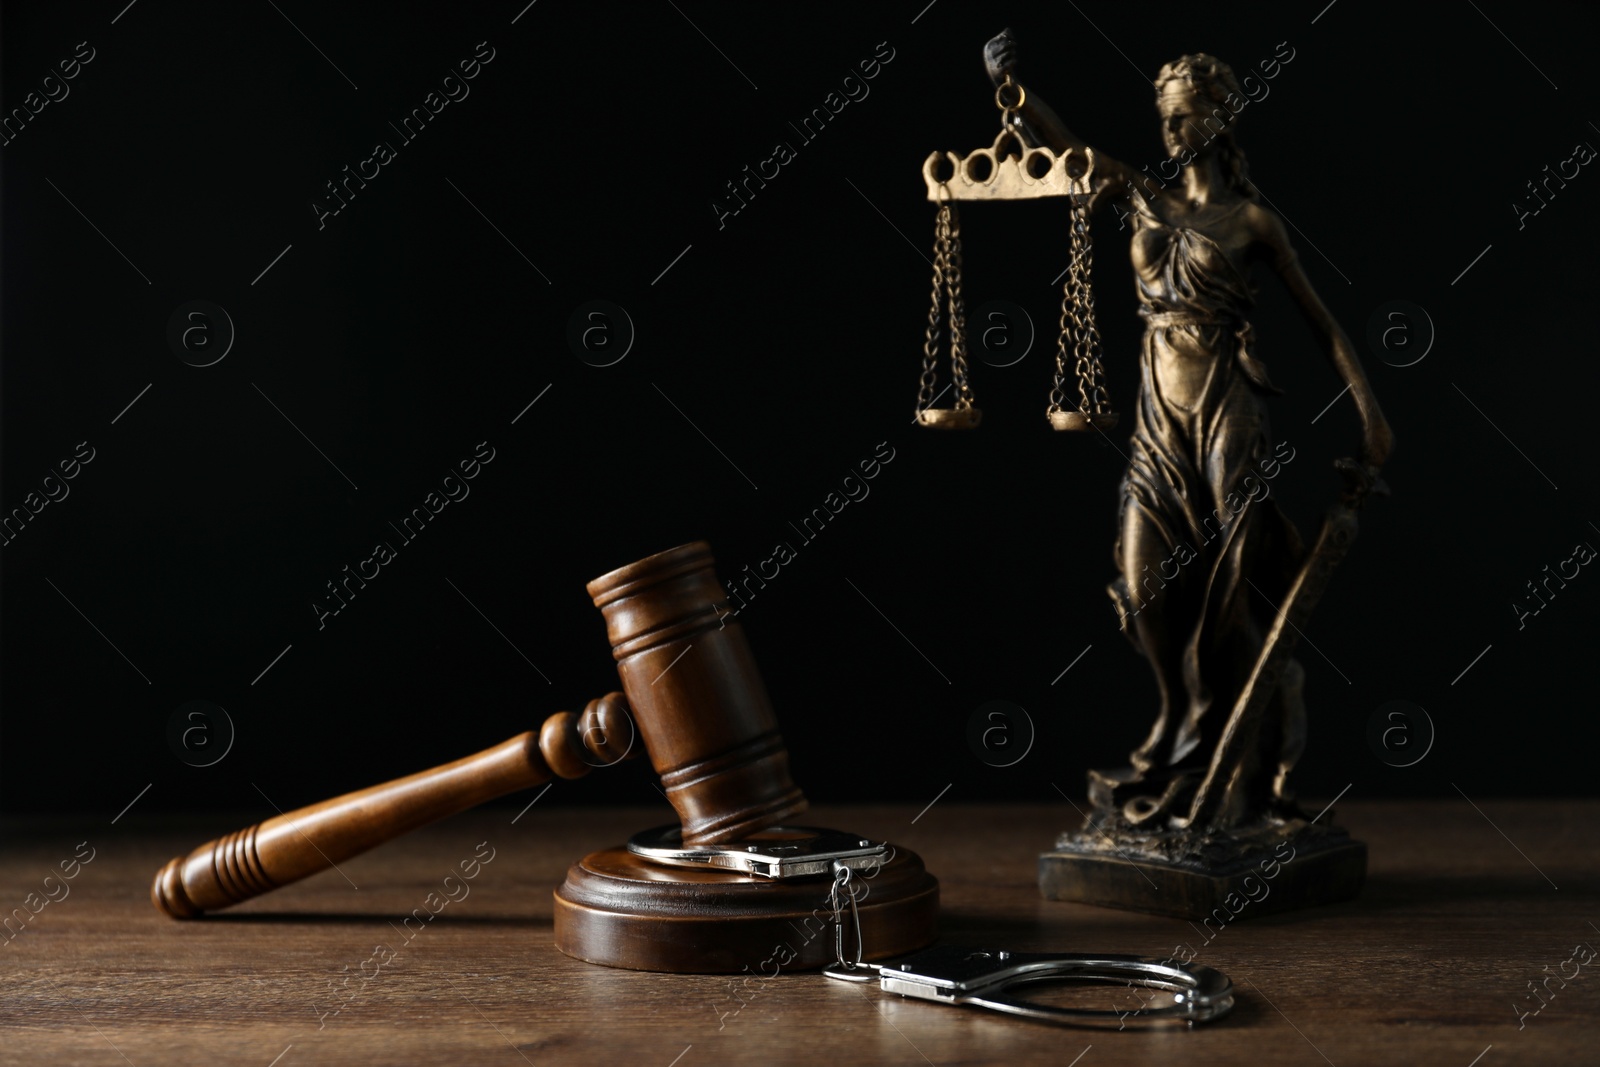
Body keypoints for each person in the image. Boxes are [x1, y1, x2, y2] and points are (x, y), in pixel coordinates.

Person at [983, 31, 1392, 825]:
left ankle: (1247, 755)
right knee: (1142, 588)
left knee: (1229, 582)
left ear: (1220, 118)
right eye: (1164, 119)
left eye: (1184, 118)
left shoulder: (1253, 223)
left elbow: (1323, 324)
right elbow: (1069, 156)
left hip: (1226, 409)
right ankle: (1182, 718)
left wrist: (1370, 413)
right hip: (1155, 422)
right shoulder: (1144, 196)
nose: (1170, 133)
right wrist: (1016, 95)